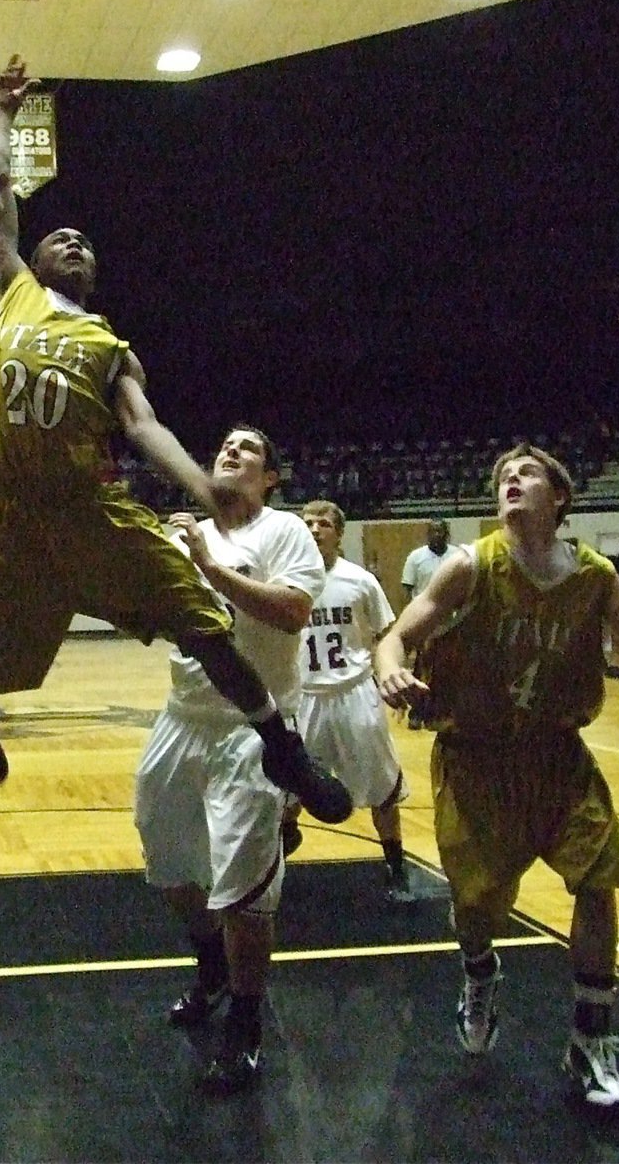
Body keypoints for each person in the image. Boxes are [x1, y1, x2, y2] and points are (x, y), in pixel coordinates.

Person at [0, 56, 350, 830]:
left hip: (88, 511)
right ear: (30, 259)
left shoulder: (109, 346)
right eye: (59, 237)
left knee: (200, 617)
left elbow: (142, 425)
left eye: (85, 243)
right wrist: (0, 114)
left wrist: (202, 487)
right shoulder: (5, 291)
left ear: (94, 274)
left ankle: (281, 746)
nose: (73, 241)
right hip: (0, 518)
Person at [376, 443, 619, 1111]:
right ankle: (480, 971)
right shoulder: (471, 566)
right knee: (475, 910)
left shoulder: (594, 576)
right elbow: (395, 636)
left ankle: (590, 1040)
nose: (511, 481)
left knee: (598, 881)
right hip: (476, 761)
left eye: (526, 473)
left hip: (556, 757)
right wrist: (390, 668)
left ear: (559, 497)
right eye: (503, 478)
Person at [134, 425, 326, 1094]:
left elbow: (293, 611)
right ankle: (211, 961)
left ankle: (245, 1022)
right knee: (163, 860)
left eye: (248, 448)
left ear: (270, 477)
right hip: (181, 717)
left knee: (243, 885)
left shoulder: (283, 532)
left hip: (254, 726)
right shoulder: (183, 533)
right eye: (225, 444)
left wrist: (209, 568)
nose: (231, 450)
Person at [291, 500, 412, 900]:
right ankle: (276, 854)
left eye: (323, 524)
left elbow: (387, 634)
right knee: (288, 787)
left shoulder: (360, 580)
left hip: (354, 693)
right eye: (308, 523)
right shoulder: (285, 581)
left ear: (339, 534)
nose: (314, 529)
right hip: (306, 697)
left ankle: (397, 868)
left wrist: (392, 674)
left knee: (382, 787)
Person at [399, 517, 453, 729]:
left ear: (447, 534)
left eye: (441, 531)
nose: (437, 535)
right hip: (424, 621)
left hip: (451, 621)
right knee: (422, 668)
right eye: (433, 531)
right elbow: (407, 590)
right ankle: (416, 712)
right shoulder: (416, 558)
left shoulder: (457, 555)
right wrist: (409, 622)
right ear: (427, 534)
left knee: (449, 668)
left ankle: (442, 713)